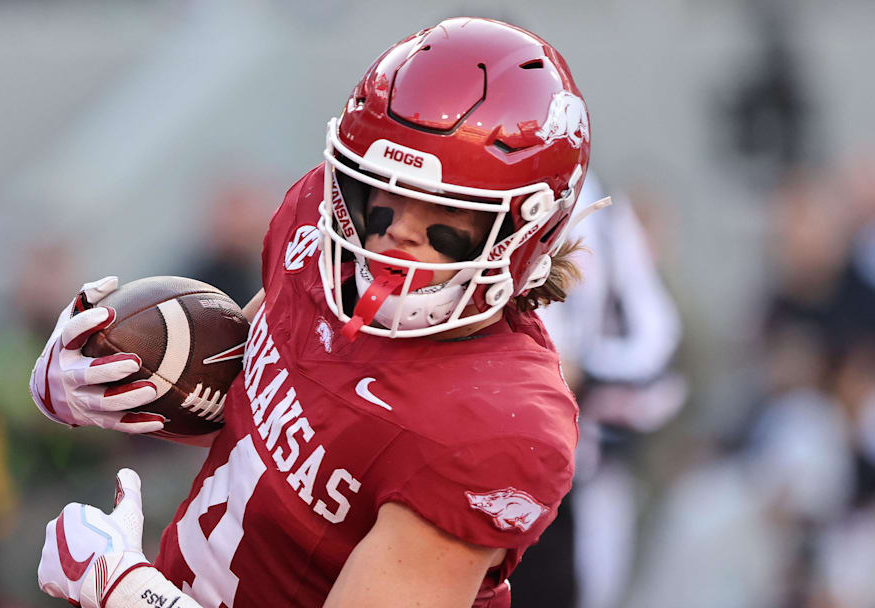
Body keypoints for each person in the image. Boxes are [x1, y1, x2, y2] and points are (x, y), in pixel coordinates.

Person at [30, 17, 608, 608]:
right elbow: (253, 399)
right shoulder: (323, 231)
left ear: (527, 229)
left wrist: (128, 592)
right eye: (384, 192)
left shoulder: (494, 423)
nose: (397, 233)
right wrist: (101, 382)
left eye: (446, 215)